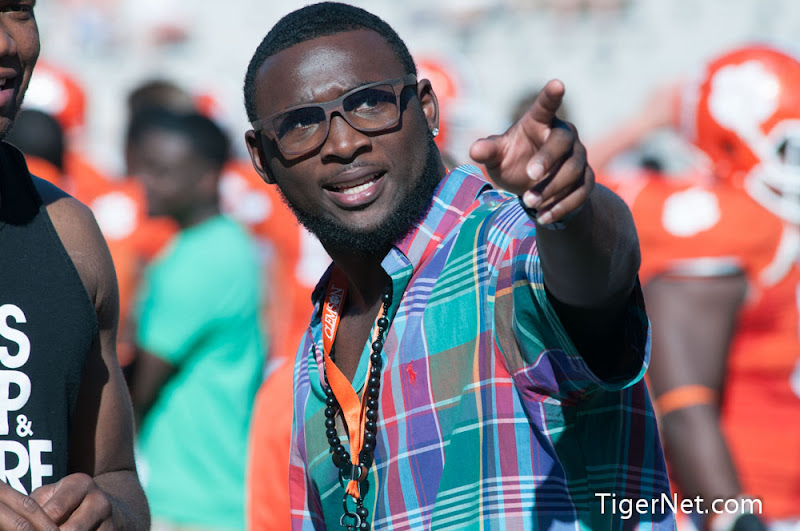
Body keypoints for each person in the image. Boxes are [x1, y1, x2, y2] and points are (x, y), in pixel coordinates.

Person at [242, 3, 672, 529]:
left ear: (428, 109)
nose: (344, 142)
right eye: (301, 124)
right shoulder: (315, 350)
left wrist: (569, 211)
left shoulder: (499, 246)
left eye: (371, 104)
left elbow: (598, 278)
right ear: (262, 157)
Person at [598, 44, 800, 529]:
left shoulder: (758, 223)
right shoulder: (732, 224)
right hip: (747, 505)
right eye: (791, 148)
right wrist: (733, 517)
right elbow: (685, 406)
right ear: (732, 142)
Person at [0, 3, 149, 529]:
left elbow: (115, 475)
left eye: (16, 9)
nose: (4, 42)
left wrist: (109, 515)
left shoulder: (72, 234)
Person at [127, 107, 266, 530]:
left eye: (163, 171)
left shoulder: (198, 261)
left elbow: (139, 389)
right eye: (145, 168)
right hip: (222, 489)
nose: (146, 183)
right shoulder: (228, 244)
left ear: (206, 178)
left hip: (190, 500)